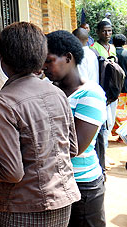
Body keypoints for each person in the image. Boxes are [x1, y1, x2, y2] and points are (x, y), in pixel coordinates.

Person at [0, 22, 80, 227]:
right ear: (41, 58)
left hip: (23, 207)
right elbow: (71, 148)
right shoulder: (58, 93)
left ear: (4, 61)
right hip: (62, 199)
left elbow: (12, 172)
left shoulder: (3, 103)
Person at [44, 30, 107, 227]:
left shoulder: (90, 94)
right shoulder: (50, 90)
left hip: (83, 186)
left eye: (49, 61)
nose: (44, 67)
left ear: (68, 58)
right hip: (57, 184)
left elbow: (75, 147)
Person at [92, 20, 117, 166]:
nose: (107, 34)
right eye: (104, 31)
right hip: (102, 92)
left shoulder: (112, 47)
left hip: (112, 91)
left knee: (111, 122)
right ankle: (103, 155)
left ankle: (105, 153)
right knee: (103, 123)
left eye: (109, 31)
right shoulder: (93, 48)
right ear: (98, 32)